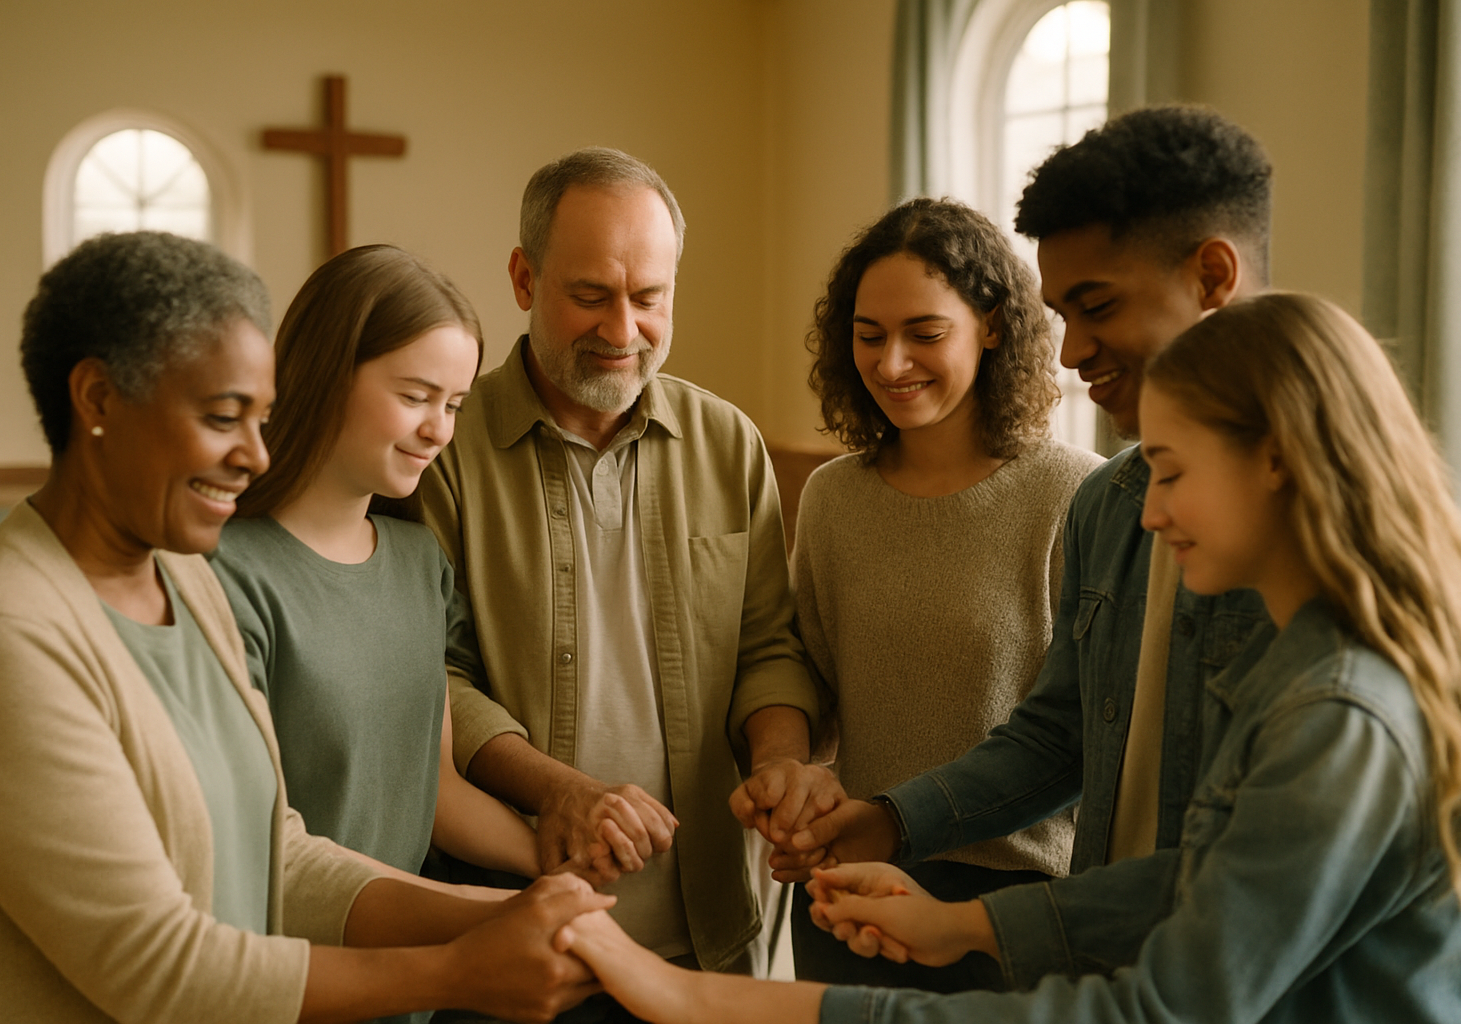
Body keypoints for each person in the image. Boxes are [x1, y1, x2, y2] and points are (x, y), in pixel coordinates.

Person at [553, 291, 1461, 1024]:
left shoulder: (1338, 714)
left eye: (1174, 473)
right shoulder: (1300, 675)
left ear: (1275, 460)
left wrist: (705, 999)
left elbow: (1157, 1006)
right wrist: (961, 924)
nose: (1149, 513)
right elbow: (1197, 883)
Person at [0, 231, 610, 1023]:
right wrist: (456, 972)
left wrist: (498, 913)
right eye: (224, 418)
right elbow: (158, 966)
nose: (255, 456)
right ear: (98, 400)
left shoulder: (180, 577)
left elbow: (274, 851)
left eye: (262, 418)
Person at [772, 105, 1277, 986]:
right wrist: (888, 821)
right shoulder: (1115, 506)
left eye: (1098, 307)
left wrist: (977, 923)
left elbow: (1244, 885)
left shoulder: (1323, 543)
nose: (1074, 349)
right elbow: (1059, 736)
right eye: (1063, 312)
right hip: (1100, 956)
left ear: (1212, 276)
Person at [420, 147, 834, 981]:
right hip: (522, 927)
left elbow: (767, 645)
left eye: (649, 298)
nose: (622, 331)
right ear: (524, 279)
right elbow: (431, 676)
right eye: (589, 296)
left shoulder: (728, 442)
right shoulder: (444, 448)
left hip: (710, 933)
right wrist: (559, 790)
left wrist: (780, 762)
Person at [208, 246, 551, 1024]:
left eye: (456, 403)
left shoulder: (417, 561)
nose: (438, 429)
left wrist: (549, 863)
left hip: (411, 975)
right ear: (329, 373)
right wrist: (472, 914)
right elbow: (263, 847)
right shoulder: (225, 573)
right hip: (284, 980)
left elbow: (431, 791)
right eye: (415, 395)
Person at [784, 197, 1102, 990]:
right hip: (849, 883)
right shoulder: (831, 497)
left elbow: (1083, 731)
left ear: (993, 326)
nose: (892, 364)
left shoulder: (1075, 494)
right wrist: (786, 779)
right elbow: (807, 680)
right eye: (868, 336)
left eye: (924, 334)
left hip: (1019, 904)